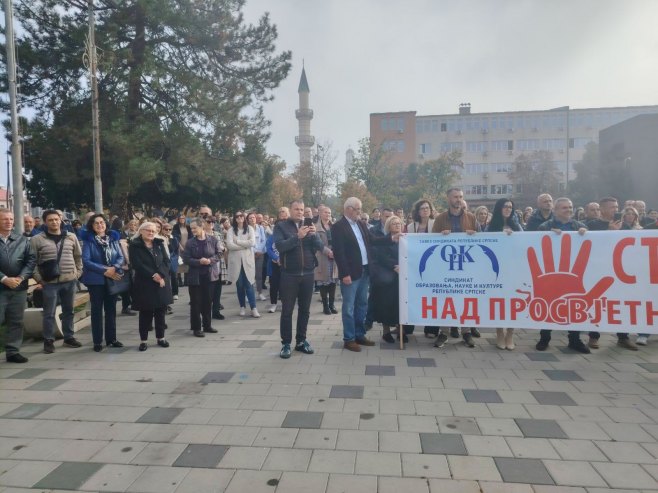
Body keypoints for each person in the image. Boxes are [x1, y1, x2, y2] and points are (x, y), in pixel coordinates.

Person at [332, 197, 390, 352]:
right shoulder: (338, 227)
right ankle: (349, 338)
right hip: (350, 273)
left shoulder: (361, 224)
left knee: (362, 304)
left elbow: (373, 240)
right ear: (348, 209)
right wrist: (344, 273)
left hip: (364, 270)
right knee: (349, 307)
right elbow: (339, 253)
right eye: (357, 209)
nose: (360, 212)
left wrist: (391, 238)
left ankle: (359, 334)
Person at [535, 198, 592, 354]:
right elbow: (534, 243)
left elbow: (592, 245)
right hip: (550, 272)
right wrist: (548, 235)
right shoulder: (545, 227)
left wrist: (585, 235)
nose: (568, 210)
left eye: (570, 207)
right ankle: (544, 338)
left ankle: (575, 340)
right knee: (548, 304)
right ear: (556, 210)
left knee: (574, 305)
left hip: (574, 272)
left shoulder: (580, 227)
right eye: (564, 207)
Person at [273, 199, 326, 358]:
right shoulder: (281, 226)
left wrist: (314, 234)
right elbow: (280, 246)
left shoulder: (309, 225)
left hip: (308, 273)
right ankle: (286, 344)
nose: (300, 212)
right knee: (287, 310)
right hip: (289, 274)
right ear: (290, 210)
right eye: (296, 209)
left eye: (302, 209)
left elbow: (317, 245)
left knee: (305, 310)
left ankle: (301, 341)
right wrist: (297, 236)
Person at [585, 197, 637, 350]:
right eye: (612, 207)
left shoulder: (625, 226)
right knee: (596, 302)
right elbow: (588, 246)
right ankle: (593, 336)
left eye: (616, 206)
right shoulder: (592, 225)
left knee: (620, 302)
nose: (616, 209)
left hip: (619, 271)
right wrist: (609, 232)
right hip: (598, 270)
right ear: (602, 209)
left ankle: (623, 337)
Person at [431, 188, 480, 348]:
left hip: (467, 265)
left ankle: (466, 332)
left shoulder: (471, 218)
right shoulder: (440, 219)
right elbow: (430, 241)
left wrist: (474, 235)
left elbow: (482, 240)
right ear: (448, 199)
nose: (458, 199)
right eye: (455, 197)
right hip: (446, 267)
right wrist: (440, 236)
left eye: (461, 197)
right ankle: (444, 332)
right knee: (446, 299)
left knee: (465, 299)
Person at [31, 209, 84, 354]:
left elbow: (78, 257)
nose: (54, 222)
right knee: (49, 313)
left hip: (69, 281)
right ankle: (48, 340)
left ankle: (69, 337)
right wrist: (39, 279)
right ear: (45, 222)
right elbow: (32, 262)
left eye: (56, 219)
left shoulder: (71, 237)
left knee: (69, 311)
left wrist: (77, 273)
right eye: (50, 220)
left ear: (60, 220)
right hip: (49, 283)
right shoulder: (37, 239)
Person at [80, 213, 125, 352]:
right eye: (96, 223)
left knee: (111, 310)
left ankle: (111, 339)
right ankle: (97, 341)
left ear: (106, 224)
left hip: (111, 278)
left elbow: (120, 257)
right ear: (92, 226)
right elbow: (86, 261)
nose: (100, 225)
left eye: (102, 222)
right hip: (96, 280)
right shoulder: (89, 241)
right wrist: (105, 270)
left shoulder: (113, 239)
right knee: (97, 311)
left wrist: (114, 268)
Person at [129, 222, 173, 351]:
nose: (151, 233)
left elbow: (166, 261)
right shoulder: (135, 245)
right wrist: (154, 275)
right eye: (148, 230)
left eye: (153, 231)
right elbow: (137, 264)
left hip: (161, 281)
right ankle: (144, 340)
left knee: (160, 311)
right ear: (141, 231)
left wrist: (161, 275)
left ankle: (161, 338)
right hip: (145, 282)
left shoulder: (159, 243)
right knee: (146, 313)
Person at [485, 198, 522, 350]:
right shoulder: (491, 226)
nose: (508, 209)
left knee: (513, 302)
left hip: (514, 269)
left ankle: (510, 334)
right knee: (499, 302)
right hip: (497, 269)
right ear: (499, 208)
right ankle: (499, 332)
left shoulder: (517, 226)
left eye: (510, 207)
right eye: (505, 207)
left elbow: (523, 244)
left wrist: (513, 236)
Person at [0, 208, 36, 363]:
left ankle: (13, 351)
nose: (9, 222)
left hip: (18, 288)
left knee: (16, 321)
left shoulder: (22, 240)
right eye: (4, 219)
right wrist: (3, 279)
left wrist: (21, 277)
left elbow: (31, 260)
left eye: (11, 219)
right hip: (1, 288)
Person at [404, 199, 438, 338]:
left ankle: (431, 329)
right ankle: (408, 327)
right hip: (416, 266)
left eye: (427, 207)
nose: (425, 210)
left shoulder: (436, 224)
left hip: (434, 266)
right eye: (422, 208)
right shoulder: (411, 226)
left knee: (432, 297)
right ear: (417, 211)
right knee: (413, 296)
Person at [183, 218, 221, 337]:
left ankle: (207, 325)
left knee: (208, 301)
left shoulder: (213, 240)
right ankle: (196, 328)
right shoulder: (189, 243)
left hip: (209, 275)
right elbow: (186, 259)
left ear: (202, 226)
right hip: (195, 277)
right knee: (195, 303)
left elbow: (219, 254)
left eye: (195, 228)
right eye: (191, 228)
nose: (193, 230)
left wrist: (210, 260)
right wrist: (199, 261)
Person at [370, 215, 402, 344]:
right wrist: (395, 266)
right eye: (394, 223)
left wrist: (404, 265)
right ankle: (386, 332)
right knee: (386, 304)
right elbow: (382, 257)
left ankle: (401, 330)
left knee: (400, 305)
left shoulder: (406, 238)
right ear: (389, 226)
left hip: (402, 276)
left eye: (399, 223)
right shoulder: (384, 239)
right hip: (388, 276)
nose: (397, 225)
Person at [226, 211, 259, 317]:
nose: (239, 218)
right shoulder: (231, 230)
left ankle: (253, 308)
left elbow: (252, 243)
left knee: (249, 284)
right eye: (237, 216)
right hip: (235, 262)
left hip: (247, 261)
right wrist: (245, 246)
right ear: (235, 219)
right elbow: (230, 245)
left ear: (244, 218)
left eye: (241, 216)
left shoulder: (250, 229)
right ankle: (242, 307)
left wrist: (238, 241)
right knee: (239, 285)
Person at [314, 205, 339, 315]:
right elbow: (316, 243)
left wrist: (335, 252)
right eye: (325, 212)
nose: (328, 215)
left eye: (329, 213)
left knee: (333, 281)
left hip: (334, 258)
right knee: (323, 282)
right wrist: (328, 252)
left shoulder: (334, 227)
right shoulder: (316, 227)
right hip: (322, 257)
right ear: (320, 213)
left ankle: (332, 304)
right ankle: (325, 306)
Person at [202, 215, 225, 320]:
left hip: (219, 266)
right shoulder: (201, 235)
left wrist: (223, 249)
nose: (211, 223)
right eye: (208, 221)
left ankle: (216, 311)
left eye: (213, 222)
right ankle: (206, 314)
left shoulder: (218, 234)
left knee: (217, 290)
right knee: (207, 293)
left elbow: (224, 248)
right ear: (203, 222)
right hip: (207, 266)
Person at [266, 207, 288, 313]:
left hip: (286, 263)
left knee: (285, 285)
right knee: (274, 285)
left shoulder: (288, 236)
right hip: (274, 264)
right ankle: (273, 304)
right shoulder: (272, 236)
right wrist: (276, 258)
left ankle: (285, 303)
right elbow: (269, 249)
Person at [248, 212, 268, 301]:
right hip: (249, 254)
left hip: (260, 254)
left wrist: (259, 251)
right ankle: (248, 294)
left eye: (253, 217)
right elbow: (247, 242)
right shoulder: (246, 229)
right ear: (247, 220)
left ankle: (260, 293)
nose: (252, 219)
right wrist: (254, 252)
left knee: (259, 274)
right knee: (249, 275)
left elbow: (264, 240)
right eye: (250, 218)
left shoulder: (260, 228)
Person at [160, 223, 180, 301]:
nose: (168, 231)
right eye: (166, 229)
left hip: (173, 259)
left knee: (174, 276)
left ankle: (175, 293)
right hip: (164, 260)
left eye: (170, 229)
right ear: (162, 229)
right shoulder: (160, 238)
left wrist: (168, 241)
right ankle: (167, 293)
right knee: (165, 277)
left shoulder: (174, 238)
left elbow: (174, 249)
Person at [172, 214, 191, 287]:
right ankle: (179, 280)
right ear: (178, 219)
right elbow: (175, 238)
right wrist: (180, 246)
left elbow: (191, 236)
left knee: (186, 263)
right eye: (180, 218)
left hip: (187, 246)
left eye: (183, 218)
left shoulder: (188, 227)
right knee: (179, 263)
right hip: (179, 246)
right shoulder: (176, 227)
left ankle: (186, 280)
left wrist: (188, 246)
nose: (182, 219)